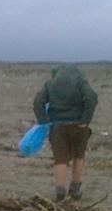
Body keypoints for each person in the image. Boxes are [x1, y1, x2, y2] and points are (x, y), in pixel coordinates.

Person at [33, 64, 98, 202]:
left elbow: (38, 101)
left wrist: (44, 121)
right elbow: (91, 97)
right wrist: (85, 119)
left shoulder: (50, 84)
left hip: (57, 126)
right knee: (78, 156)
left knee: (60, 158)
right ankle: (75, 188)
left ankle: (60, 190)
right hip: (78, 125)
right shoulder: (80, 81)